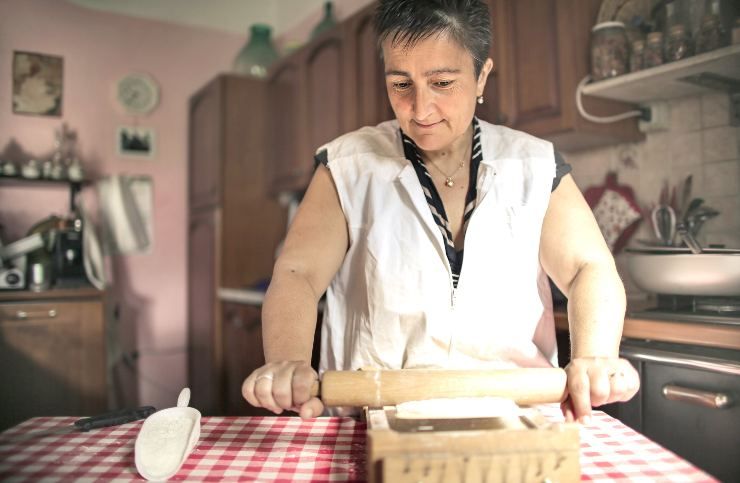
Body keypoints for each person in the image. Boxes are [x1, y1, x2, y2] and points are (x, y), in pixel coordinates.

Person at [243, 0, 640, 423]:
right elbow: (297, 273)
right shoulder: (347, 166)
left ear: (481, 75)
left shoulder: (535, 166)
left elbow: (588, 268)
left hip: (517, 421)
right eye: (401, 85)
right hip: (373, 419)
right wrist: (287, 361)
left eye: (443, 82)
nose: (420, 107)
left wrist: (596, 355)